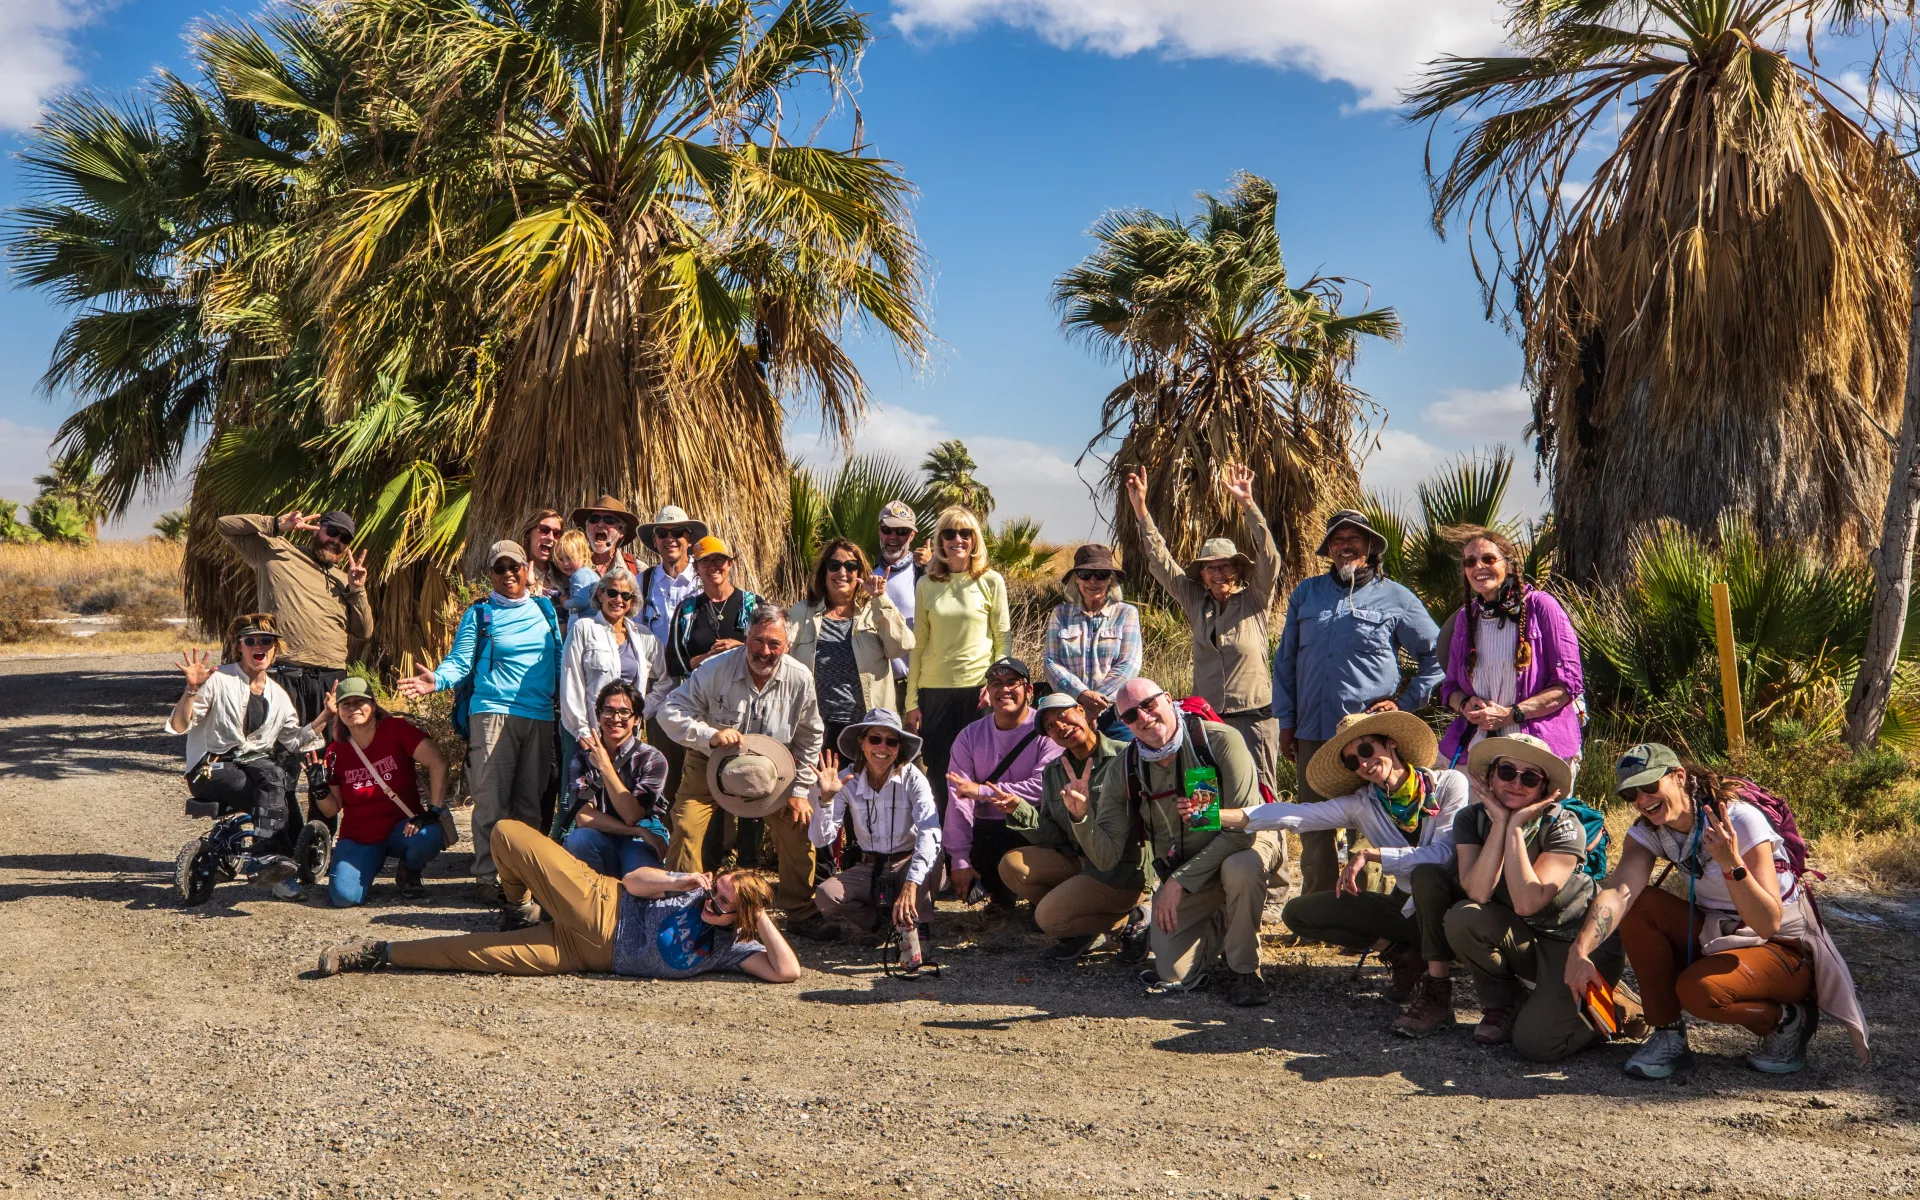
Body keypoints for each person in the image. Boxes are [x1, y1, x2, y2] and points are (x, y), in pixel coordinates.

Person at [1564, 744, 1869, 1078]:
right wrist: (1580, 950)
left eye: (1650, 786)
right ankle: (1666, 1034)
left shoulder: (1739, 818)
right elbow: (1620, 891)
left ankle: (1788, 1019)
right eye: (1631, 794)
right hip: (1721, 931)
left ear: (1679, 776)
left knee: (1699, 991)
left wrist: (1731, 864)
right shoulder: (1650, 830)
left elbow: (1768, 921)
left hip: (1782, 945)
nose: (1642, 800)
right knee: (1641, 904)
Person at [1222, 710, 1468, 1035]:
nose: (1363, 763)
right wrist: (1214, 815)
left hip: (1453, 909)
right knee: (1299, 913)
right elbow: (1294, 815)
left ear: (1391, 744)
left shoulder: (1449, 783)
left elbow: (1441, 856)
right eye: (1353, 762)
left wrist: (1372, 853)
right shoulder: (1362, 805)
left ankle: (1437, 992)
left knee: (1425, 875)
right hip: (1411, 909)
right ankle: (1405, 954)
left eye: (1366, 750)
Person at [317, 820, 800, 983]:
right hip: (601, 905)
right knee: (507, 833)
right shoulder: (692, 890)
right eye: (717, 891)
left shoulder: (730, 949)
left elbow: (787, 972)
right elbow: (633, 880)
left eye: (722, 905)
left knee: (473, 956)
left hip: (587, 956)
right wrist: (681, 882)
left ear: (741, 917)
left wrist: (759, 921)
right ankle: (516, 903)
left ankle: (377, 952)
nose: (712, 904)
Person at [1074, 678, 1283, 1007]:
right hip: (1189, 867)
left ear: (1168, 699)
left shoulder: (1218, 741)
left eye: (1149, 705)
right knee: (1173, 974)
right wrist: (1081, 817)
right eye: (1130, 716)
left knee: (1240, 868)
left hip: (1245, 841)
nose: (1143, 718)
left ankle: (1245, 970)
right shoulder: (1124, 769)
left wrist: (1178, 882)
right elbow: (1106, 857)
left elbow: (1244, 830)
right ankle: (1224, 920)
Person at [1273, 508, 1444, 897]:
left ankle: (1365, 909)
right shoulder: (1307, 593)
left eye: (1354, 538)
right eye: (1337, 539)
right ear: (1329, 548)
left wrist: (1404, 703)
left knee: (1368, 823)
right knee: (1311, 822)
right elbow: (1285, 660)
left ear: (1371, 546)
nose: (1345, 545)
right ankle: (1318, 909)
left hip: (1368, 736)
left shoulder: (1397, 597)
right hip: (1313, 732)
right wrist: (1286, 720)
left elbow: (1437, 657)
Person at [397, 540, 561, 896]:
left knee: (530, 803)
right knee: (492, 799)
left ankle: (523, 875)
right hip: (492, 714)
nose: (508, 574)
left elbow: (560, 661)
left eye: (514, 566)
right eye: (499, 568)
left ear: (527, 569)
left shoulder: (546, 610)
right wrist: (436, 680)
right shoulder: (481, 614)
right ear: (490, 574)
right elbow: (460, 660)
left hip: (540, 715)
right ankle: (489, 875)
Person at [1445, 734, 1621, 1059]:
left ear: (1544, 789)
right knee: (1464, 917)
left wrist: (1514, 829)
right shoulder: (1473, 819)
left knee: (1536, 1045)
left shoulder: (1564, 825)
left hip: (1574, 943)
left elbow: (1528, 901)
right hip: (1527, 936)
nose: (1516, 783)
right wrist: (1500, 823)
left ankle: (1615, 1009)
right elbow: (1479, 891)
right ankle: (1507, 1005)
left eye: (1529, 777)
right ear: (1490, 777)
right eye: (1507, 771)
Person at [216, 508, 374, 864]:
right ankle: (285, 847)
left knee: (328, 766)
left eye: (344, 538)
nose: (335, 541)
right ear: (318, 529)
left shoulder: (341, 578)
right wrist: (275, 524)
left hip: (332, 678)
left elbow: (364, 631)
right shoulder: (275, 550)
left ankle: (317, 846)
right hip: (283, 676)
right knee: (280, 765)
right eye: (331, 531)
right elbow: (224, 525)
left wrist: (357, 589)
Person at [656, 605, 825, 927]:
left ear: (787, 645)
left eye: (774, 644)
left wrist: (800, 790)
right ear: (745, 638)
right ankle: (683, 908)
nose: (764, 651)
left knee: (797, 825)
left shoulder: (800, 677)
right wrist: (709, 735)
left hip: (774, 769)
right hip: (710, 762)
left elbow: (810, 735)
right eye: (758, 641)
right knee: (687, 826)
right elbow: (669, 710)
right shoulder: (714, 668)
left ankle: (800, 910)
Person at [1124, 464, 1280, 787]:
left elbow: (1270, 558)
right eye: (1211, 568)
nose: (1218, 573)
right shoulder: (1197, 602)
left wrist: (1248, 506)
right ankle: (1204, 840)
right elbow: (1161, 561)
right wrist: (1141, 510)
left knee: (1261, 793)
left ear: (1236, 570)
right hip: (1205, 718)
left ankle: (1269, 841)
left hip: (1254, 718)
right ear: (1203, 575)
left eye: (1225, 566)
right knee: (1205, 794)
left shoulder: (1255, 600)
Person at [166, 618, 332, 900]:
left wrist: (325, 717)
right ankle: (264, 859)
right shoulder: (218, 679)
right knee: (273, 787)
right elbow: (181, 725)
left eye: (266, 641)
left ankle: (275, 866)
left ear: (274, 650)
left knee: (280, 790)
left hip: (254, 768)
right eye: (251, 641)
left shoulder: (278, 696)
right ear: (239, 647)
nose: (259, 646)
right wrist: (191, 690)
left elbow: (293, 739)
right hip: (210, 767)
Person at [995, 693, 1147, 961]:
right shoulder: (1054, 771)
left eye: (1063, 715)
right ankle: (1083, 925)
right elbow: (1054, 836)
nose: (1060, 727)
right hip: (1080, 861)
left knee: (1048, 918)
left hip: (1120, 870)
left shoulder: (1127, 756)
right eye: (1051, 726)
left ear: (1082, 710)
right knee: (1012, 866)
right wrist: (1019, 809)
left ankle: (1132, 920)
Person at [1435, 528, 1585, 781]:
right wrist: (1465, 704)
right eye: (1470, 562)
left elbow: (1569, 684)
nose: (1478, 566)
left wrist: (1511, 714)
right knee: (1464, 817)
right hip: (1479, 745)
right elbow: (1449, 686)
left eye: (1489, 559)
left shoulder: (1541, 606)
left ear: (1509, 564)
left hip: (1536, 742)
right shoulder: (1466, 618)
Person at [904, 506, 1010, 820]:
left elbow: (1002, 638)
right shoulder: (926, 583)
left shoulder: (991, 581)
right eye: (949, 534)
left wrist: (996, 684)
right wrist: (912, 700)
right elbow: (918, 645)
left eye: (965, 533)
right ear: (939, 540)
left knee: (983, 767)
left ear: (975, 539)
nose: (957, 540)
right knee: (938, 769)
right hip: (933, 690)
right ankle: (949, 842)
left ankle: (980, 841)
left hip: (978, 690)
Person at [806, 709, 941, 942]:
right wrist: (825, 800)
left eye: (891, 741)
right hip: (870, 865)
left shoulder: (912, 777)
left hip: (906, 862)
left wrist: (911, 883)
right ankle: (880, 924)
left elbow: (930, 831)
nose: (882, 748)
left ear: (899, 747)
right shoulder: (846, 778)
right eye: (875, 739)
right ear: (862, 743)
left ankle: (919, 923)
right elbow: (821, 840)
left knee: (933, 856)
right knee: (826, 895)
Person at [316, 676, 450, 907]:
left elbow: (438, 763)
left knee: (429, 836)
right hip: (360, 837)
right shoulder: (336, 751)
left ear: (373, 705)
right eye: (346, 704)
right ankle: (368, 863)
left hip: (404, 828)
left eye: (360, 702)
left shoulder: (396, 729)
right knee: (343, 898)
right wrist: (318, 789)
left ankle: (409, 871)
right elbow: (331, 810)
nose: (353, 708)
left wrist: (434, 811)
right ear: (338, 711)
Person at [943, 656, 1062, 908]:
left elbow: (1041, 787)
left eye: (1012, 682)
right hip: (987, 831)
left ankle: (1043, 897)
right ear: (987, 690)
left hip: (1033, 828)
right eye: (996, 683)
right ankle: (998, 893)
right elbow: (959, 799)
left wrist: (982, 791)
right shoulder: (969, 736)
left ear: (1029, 689)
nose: (1004, 689)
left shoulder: (1047, 730)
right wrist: (960, 860)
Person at [557, 567, 668, 835]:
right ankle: (563, 852)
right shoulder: (584, 628)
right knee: (574, 800)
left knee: (619, 792)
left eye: (626, 595)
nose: (619, 599)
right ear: (600, 594)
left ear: (633, 602)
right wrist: (582, 730)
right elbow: (571, 679)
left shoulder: (643, 637)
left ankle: (615, 855)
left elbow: (665, 682)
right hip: (587, 730)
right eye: (613, 592)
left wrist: (640, 712)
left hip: (625, 733)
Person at [789, 538, 915, 758]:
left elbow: (901, 646)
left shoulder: (874, 610)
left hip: (869, 729)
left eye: (850, 566)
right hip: (817, 729)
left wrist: (880, 599)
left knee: (869, 791)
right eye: (835, 565)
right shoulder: (801, 613)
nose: (842, 572)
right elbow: (780, 658)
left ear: (860, 572)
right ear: (824, 570)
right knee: (822, 791)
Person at [631, 505, 707, 812]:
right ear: (655, 541)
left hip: (700, 684)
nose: (670, 539)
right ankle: (666, 836)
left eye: (677, 533)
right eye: (662, 533)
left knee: (701, 760)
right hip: (660, 685)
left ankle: (713, 844)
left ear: (689, 538)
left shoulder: (704, 577)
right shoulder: (643, 581)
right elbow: (632, 630)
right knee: (664, 761)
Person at [562, 681, 672, 878]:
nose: (615, 719)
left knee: (637, 880)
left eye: (624, 712)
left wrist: (605, 766)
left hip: (646, 831)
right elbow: (583, 817)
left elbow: (632, 816)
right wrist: (635, 831)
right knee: (578, 841)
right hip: (603, 832)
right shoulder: (582, 760)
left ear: (637, 719)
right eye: (608, 711)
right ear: (598, 716)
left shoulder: (652, 759)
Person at [1043, 543, 1143, 743]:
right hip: (1070, 713)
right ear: (1076, 578)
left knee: (1123, 767)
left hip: (1116, 714)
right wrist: (1081, 696)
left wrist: (1095, 704)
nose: (1093, 581)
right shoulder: (1060, 614)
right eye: (1085, 574)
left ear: (1111, 579)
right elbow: (1051, 662)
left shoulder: (1126, 613)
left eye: (1101, 574)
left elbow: (1129, 664)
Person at [665, 536, 761, 679]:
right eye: (705, 561)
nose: (713, 566)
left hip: (746, 692)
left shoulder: (753, 605)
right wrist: (706, 658)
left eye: (719, 560)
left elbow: (772, 650)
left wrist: (741, 648)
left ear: (730, 564)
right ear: (696, 567)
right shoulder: (686, 610)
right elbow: (673, 665)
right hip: (702, 695)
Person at [874, 500, 929, 711]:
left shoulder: (924, 576)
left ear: (912, 535)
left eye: (902, 531)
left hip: (917, 687)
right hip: (879, 686)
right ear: (879, 531)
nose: (893, 537)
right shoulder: (865, 577)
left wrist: (933, 566)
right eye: (887, 530)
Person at [571, 495, 642, 578]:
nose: (600, 524)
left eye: (609, 520)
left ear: (621, 531)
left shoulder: (638, 569)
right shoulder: (571, 565)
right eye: (594, 519)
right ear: (586, 528)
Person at [552, 529, 600, 621]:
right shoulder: (586, 573)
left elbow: (581, 603)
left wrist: (564, 603)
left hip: (586, 621)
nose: (565, 563)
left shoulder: (581, 575)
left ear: (584, 556)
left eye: (570, 558)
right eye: (560, 559)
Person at [520, 508, 566, 603]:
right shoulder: (517, 572)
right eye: (544, 530)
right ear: (528, 533)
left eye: (557, 533)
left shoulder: (564, 573)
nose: (551, 537)